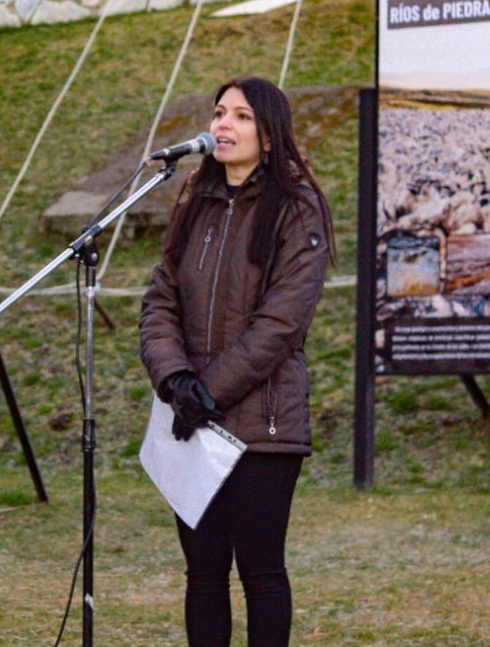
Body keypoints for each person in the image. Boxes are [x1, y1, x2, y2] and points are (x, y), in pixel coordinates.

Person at [139, 76, 335, 647]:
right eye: (219, 113)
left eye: (241, 117)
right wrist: (175, 380)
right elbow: (159, 302)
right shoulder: (192, 205)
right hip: (190, 422)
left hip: (263, 428)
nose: (223, 125)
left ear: (270, 135)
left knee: (261, 574)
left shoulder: (298, 211)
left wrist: (208, 392)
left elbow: (281, 322)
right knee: (202, 575)